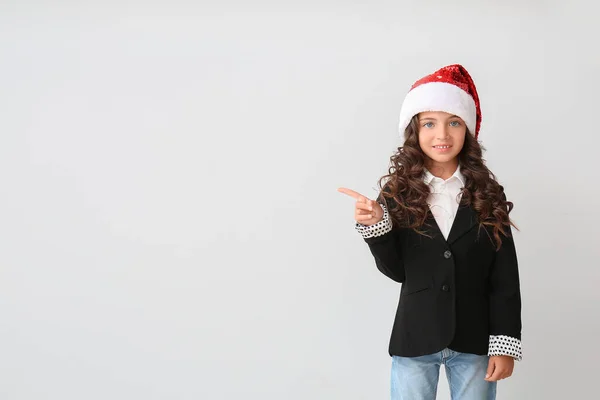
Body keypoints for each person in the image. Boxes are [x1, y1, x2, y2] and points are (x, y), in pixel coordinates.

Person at [338, 64, 522, 400]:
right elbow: (397, 271)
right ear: (415, 130)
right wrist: (376, 226)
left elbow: (505, 278)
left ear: (467, 129)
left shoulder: (488, 193)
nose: (442, 135)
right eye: (429, 123)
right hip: (415, 336)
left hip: (475, 338)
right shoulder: (397, 193)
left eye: (453, 122)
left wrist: (505, 344)